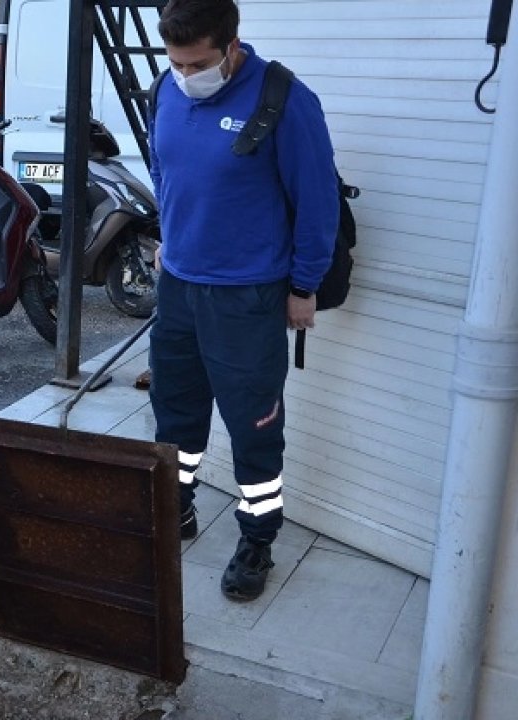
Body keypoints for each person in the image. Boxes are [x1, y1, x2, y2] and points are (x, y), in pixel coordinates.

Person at [147, 0, 339, 602]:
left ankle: (257, 537)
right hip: (179, 286)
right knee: (175, 411)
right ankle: (173, 506)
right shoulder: (167, 87)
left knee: (253, 426)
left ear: (232, 45)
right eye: (175, 63)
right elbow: (166, 169)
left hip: (248, 296)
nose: (185, 75)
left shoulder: (284, 100)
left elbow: (318, 202)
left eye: (197, 62)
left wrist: (304, 285)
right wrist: (169, 238)